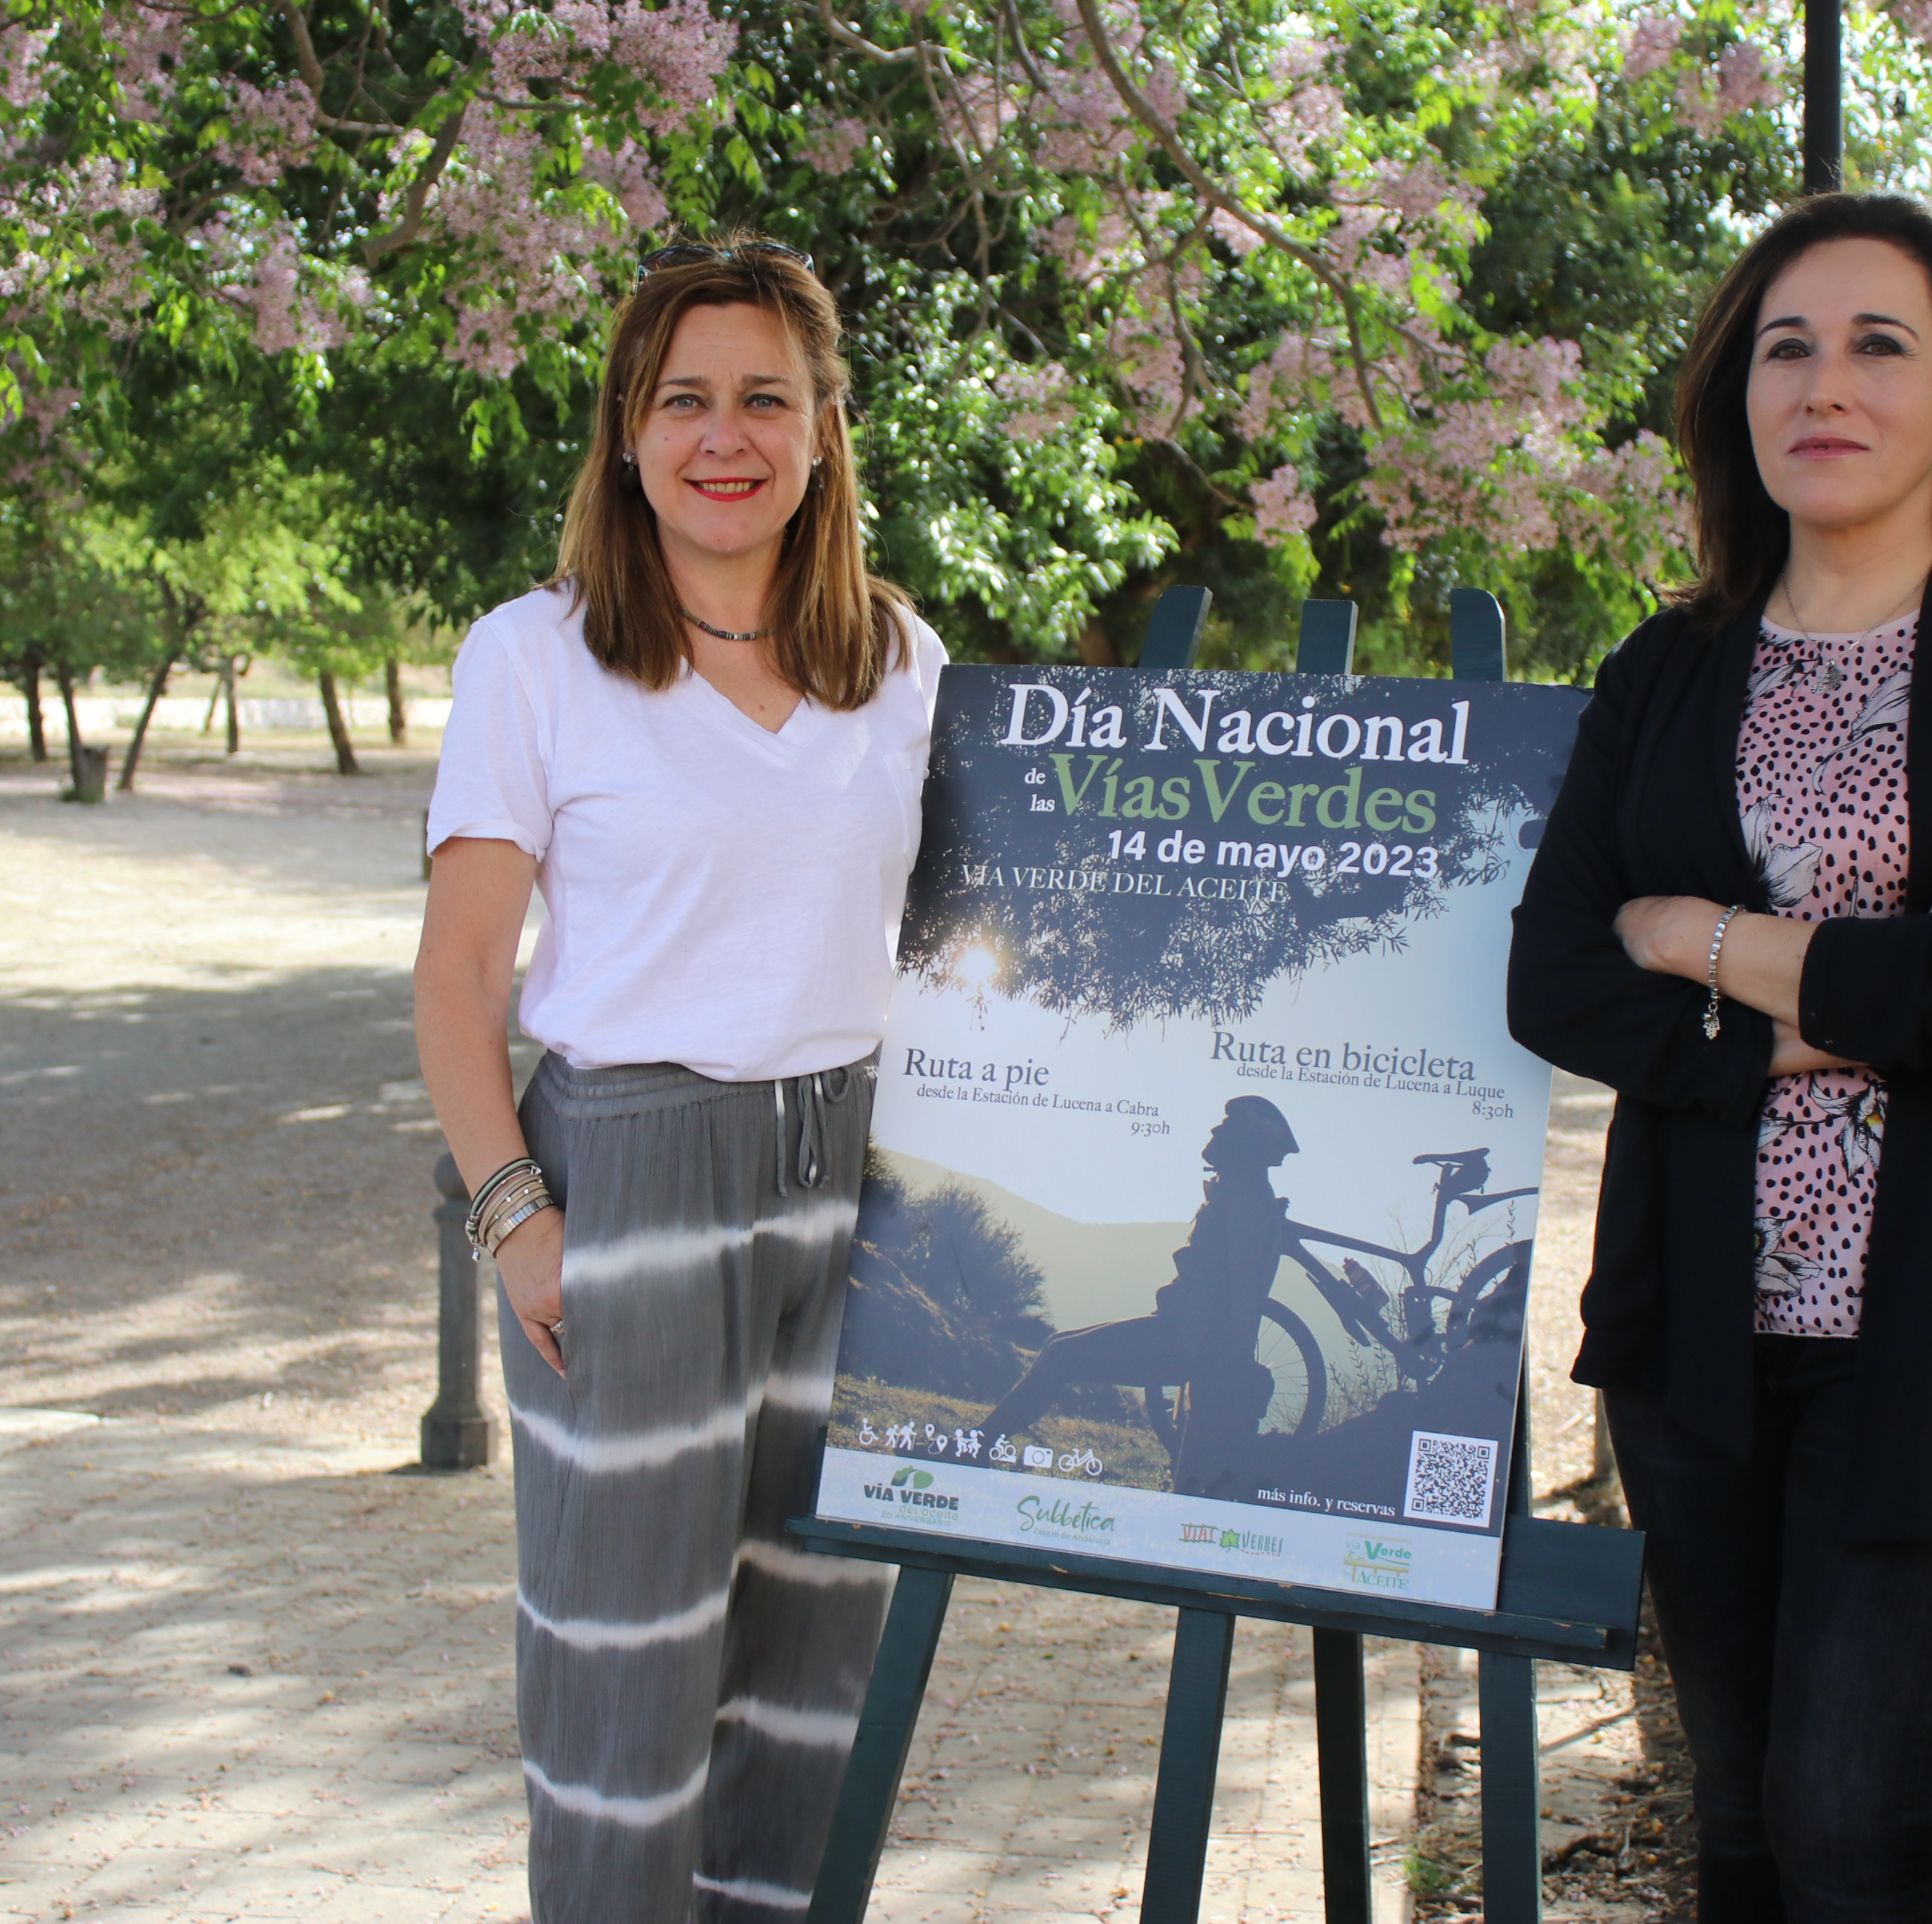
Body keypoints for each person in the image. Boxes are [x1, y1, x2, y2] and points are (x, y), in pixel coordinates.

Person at [1505, 191, 1932, 1920]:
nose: (1825, 382)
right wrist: (1840, 1007)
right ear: (1740, 396)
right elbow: (1559, 979)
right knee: (1738, 1818)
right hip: (1696, 1322)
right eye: (1786, 345)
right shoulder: (1663, 670)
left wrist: (1698, 937)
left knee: (1847, 1810)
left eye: (1881, 344)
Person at [413, 239, 947, 1924]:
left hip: (855, 1186)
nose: (727, 435)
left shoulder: (902, 664)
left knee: (812, 1676)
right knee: (625, 1673)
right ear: (629, 432)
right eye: (686, 398)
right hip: (632, 1172)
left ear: (823, 431)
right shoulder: (536, 657)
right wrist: (513, 1213)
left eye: (766, 398)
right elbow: (458, 972)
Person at [976, 1094, 1296, 1491]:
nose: (1216, 1131)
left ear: (1247, 1144)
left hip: (1187, 1339)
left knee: (1061, 1355)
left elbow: (1246, 1285)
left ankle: (972, 1450)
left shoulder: (1246, 1194)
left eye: (1228, 1127)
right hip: (1182, 1328)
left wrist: (1231, 1359)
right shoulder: (1238, 1190)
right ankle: (976, 1447)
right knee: (1058, 1345)